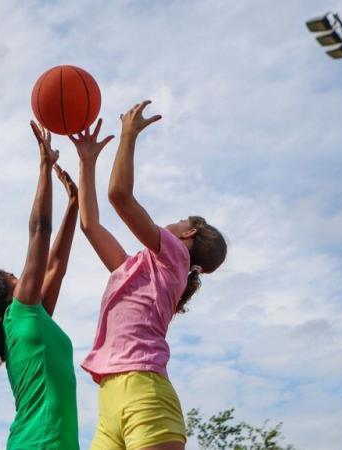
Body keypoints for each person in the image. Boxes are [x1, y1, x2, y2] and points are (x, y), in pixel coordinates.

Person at [71, 103, 228, 450]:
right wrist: (87, 162)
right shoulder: (134, 270)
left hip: (145, 394)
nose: (172, 224)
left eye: (180, 222)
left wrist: (128, 135)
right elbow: (90, 225)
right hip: (110, 399)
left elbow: (119, 196)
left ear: (188, 235)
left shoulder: (176, 258)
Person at [0, 121, 80, 450]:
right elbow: (40, 231)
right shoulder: (20, 315)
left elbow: (56, 265)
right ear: (7, 296)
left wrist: (74, 205)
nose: (24, 276)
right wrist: (45, 166)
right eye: (15, 277)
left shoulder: (33, 323)